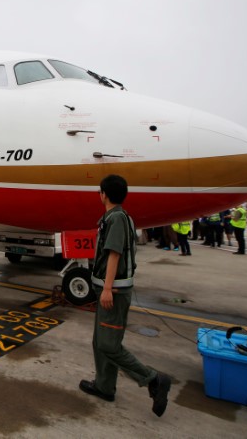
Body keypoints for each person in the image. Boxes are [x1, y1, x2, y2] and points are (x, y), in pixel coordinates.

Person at [78, 174, 171, 417]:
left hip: (114, 291)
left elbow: (113, 254)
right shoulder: (114, 216)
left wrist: (107, 288)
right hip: (107, 289)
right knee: (100, 342)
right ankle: (104, 386)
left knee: (109, 344)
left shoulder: (117, 218)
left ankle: (152, 379)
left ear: (104, 194)